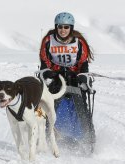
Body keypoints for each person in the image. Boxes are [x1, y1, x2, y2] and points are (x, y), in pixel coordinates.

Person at [38, 12, 95, 152]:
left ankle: (89, 139)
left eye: (66, 27)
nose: (63, 30)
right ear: (56, 27)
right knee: (51, 108)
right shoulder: (48, 41)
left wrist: (83, 76)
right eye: (60, 27)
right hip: (56, 79)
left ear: (71, 28)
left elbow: (83, 63)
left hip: (74, 79)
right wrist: (47, 73)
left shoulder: (79, 42)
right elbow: (44, 62)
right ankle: (48, 137)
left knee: (81, 108)